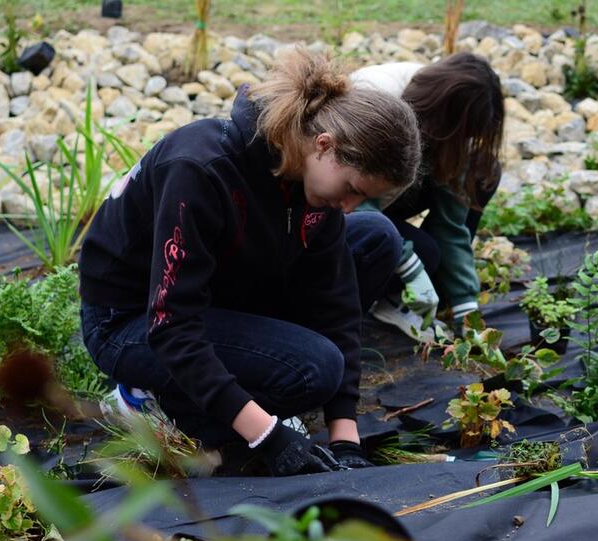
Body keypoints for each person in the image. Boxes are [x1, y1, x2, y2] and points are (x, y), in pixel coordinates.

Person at [78, 49, 421, 477]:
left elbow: (337, 304)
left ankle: (227, 395)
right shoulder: (201, 169)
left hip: (217, 287)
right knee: (314, 369)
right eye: (351, 188)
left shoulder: (305, 178)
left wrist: (345, 436)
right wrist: (268, 435)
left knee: (375, 238)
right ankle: (155, 404)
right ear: (324, 144)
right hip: (132, 321)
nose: (349, 206)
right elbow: (171, 324)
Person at [349, 53, 505, 341]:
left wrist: (466, 309)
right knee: (424, 251)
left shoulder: (441, 114)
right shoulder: (376, 97)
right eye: (463, 132)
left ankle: (434, 291)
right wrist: (409, 262)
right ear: (448, 114)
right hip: (339, 207)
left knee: (482, 172)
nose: (465, 140)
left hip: (386, 194)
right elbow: (350, 198)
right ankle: (390, 295)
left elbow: (452, 225)